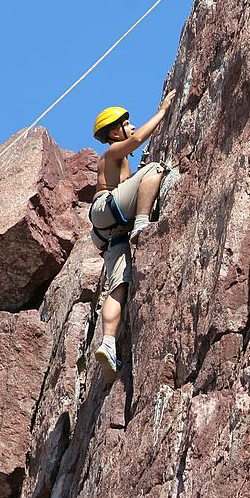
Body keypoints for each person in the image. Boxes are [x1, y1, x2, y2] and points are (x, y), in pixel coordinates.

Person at [90, 90, 177, 382]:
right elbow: (138, 139)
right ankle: (141, 224)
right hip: (108, 210)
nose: (131, 126)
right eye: (126, 124)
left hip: (108, 231)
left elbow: (129, 186)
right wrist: (163, 111)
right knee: (155, 169)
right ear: (115, 132)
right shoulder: (113, 152)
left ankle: (108, 343)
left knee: (120, 285)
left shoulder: (119, 162)